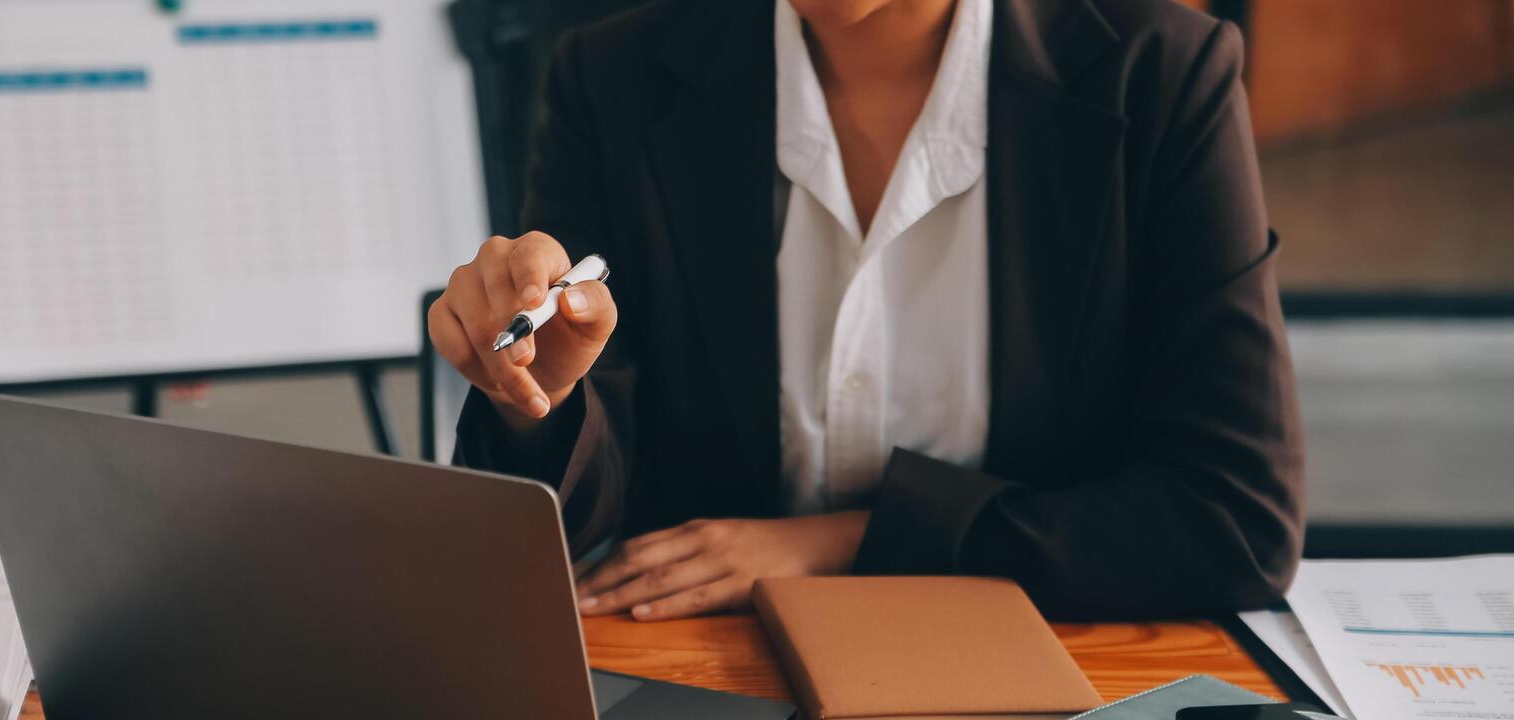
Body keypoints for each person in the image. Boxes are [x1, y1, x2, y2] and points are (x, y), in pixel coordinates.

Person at [427, 0, 1304, 622]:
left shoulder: (1164, 75)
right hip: (713, 688)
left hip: (1053, 689)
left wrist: (849, 540)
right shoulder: (613, 77)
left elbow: (1234, 521)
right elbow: (564, 530)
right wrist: (539, 402)